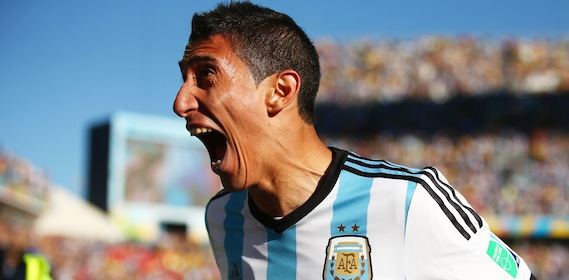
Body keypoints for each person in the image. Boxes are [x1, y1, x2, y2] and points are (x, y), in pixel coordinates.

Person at [173, 2, 537, 279]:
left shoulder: (410, 201)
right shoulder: (222, 218)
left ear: (280, 91)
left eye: (206, 75)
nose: (180, 102)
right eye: (184, 78)